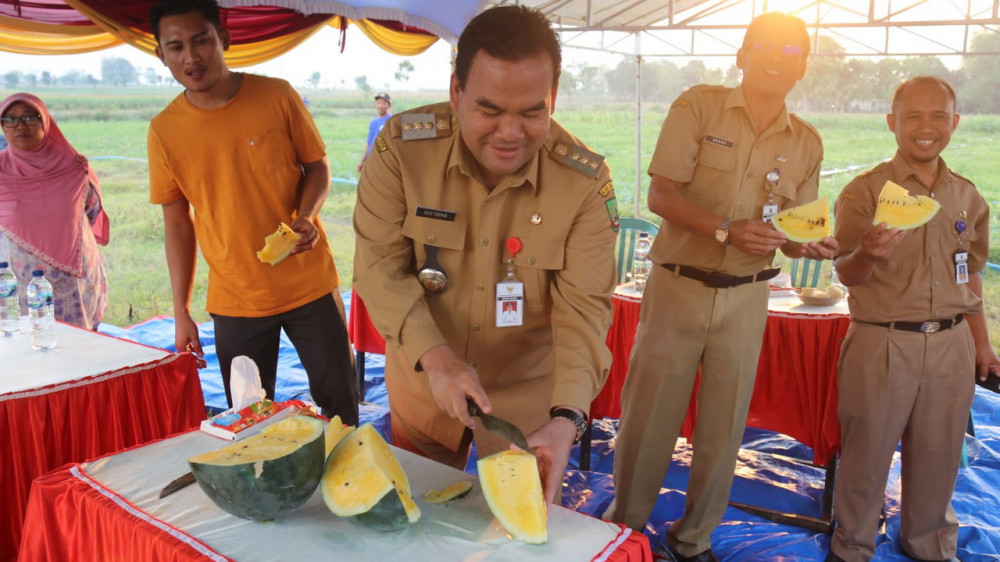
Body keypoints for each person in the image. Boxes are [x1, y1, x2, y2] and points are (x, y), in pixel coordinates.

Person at [353, 5, 618, 503]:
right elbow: (378, 266)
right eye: (490, 110)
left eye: (532, 111)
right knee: (417, 521)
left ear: (553, 97)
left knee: (519, 537)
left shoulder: (584, 183)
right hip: (425, 387)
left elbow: (584, 312)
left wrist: (567, 419)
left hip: (528, 415)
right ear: (456, 92)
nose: (510, 133)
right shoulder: (403, 150)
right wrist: (437, 360)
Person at [602, 12, 838, 562]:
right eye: (766, 47)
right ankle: (628, 533)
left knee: (724, 427)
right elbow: (661, 196)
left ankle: (694, 540)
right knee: (648, 420)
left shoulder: (806, 141)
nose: (778, 59)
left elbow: (792, 228)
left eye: (792, 51)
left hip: (749, 294)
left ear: (803, 67)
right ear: (742, 54)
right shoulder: (699, 106)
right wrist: (724, 229)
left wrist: (808, 244)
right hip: (678, 286)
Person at [147, 0, 358, 425]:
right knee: (250, 421)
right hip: (235, 297)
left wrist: (308, 215)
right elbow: (177, 224)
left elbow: (316, 165)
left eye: (201, 40)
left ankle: (350, 486)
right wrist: (181, 312)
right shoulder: (165, 131)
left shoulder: (275, 95)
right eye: (176, 47)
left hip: (308, 284)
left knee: (340, 407)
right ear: (161, 56)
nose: (191, 57)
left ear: (223, 39)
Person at [827, 77, 1000, 562]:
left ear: (955, 122)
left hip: (951, 345)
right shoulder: (865, 192)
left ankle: (930, 546)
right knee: (866, 458)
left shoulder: (966, 196)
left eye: (939, 117)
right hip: (883, 343)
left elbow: (970, 277)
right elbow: (847, 273)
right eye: (914, 117)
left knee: (940, 458)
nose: (927, 129)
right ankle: (852, 549)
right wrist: (869, 254)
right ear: (893, 123)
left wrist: (982, 345)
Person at [0, 93, 109, 330]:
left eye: (30, 117)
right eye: (10, 119)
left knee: (78, 348)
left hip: (73, 281)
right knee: (24, 349)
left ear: (46, 122)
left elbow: (91, 210)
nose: (20, 126)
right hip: (16, 283)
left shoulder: (74, 168)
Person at [356, 92, 391, 172]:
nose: (380, 106)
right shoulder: (373, 122)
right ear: (375, 104)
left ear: (389, 105)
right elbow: (369, 144)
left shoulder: (391, 121)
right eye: (378, 103)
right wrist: (362, 162)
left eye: (384, 103)